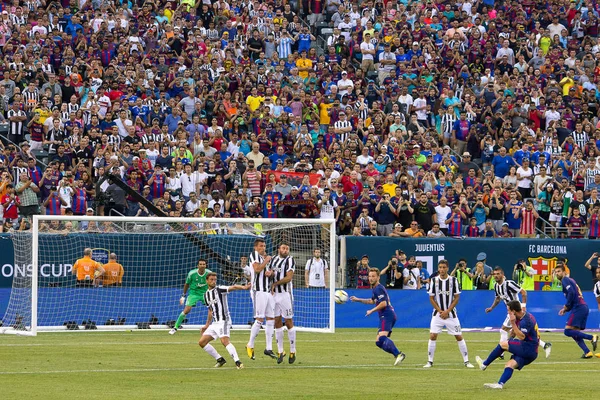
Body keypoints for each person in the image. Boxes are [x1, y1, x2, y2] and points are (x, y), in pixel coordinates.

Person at [485, 267, 552, 359]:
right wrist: (491, 308)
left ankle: (501, 352)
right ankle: (544, 345)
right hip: (511, 312)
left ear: (502, 275)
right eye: (494, 274)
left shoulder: (509, 284)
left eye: (498, 274)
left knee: (504, 330)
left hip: (516, 311)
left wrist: (523, 306)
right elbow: (497, 298)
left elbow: (523, 292)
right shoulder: (496, 286)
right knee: (515, 333)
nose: (496, 276)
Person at [476, 301, 540, 389]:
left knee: (503, 344)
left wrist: (513, 324)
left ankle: (484, 364)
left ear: (513, 311)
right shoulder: (522, 316)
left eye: (508, 310)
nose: (507, 312)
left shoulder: (525, 321)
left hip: (528, 348)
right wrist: (513, 332)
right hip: (532, 353)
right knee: (510, 365)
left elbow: (521, 337)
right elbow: (517, 332)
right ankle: (500, 384)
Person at [350, 268, 406, 366]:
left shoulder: (379, 288)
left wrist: (372, 310)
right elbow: (372, 301)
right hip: (385, 316)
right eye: (370, 276)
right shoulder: (375, 289)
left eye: (373, 276)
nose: (371, 278)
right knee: (378, 342)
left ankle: (398, 354)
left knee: (382, 339)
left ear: (378, 277)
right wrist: (358, 299)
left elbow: (384, 303)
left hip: (387, 315)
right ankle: (397, 354)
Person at [425, 259, 474, 368]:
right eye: (440, 267)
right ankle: (429, 361)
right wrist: (440, 311)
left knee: (458, 336)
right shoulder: (433, 281)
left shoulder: (453, 280)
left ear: (447, 268)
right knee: (433, 335)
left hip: (451, 314)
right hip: (437, 314)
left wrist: (447, 311)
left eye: (443, 267)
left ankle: (466, 361)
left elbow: (457, 298)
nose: (441, 270)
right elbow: (431, 298)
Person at [199, 272, 249, 369]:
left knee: (224, 341)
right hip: (215, 323)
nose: (213, 281)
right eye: (211, 280)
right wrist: (206, 325)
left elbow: (233, 287)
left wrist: (244, 287)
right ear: (207, 281)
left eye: (215, 280)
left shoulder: (220, 289)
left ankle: (238, 362)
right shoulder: (205, 295)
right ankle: (220, 359)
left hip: (224, 321)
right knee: (202, 342)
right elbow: (210, 310)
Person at [554, 265, 599, 358]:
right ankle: (587, 352)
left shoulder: (565, 280)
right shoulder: (572, 280)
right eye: (556, 272)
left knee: (567, 331)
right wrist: (566, 309)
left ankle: (591, 337)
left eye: (559, 271)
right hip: (582, 307)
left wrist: (566, 306)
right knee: (575, 333)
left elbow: (571, 293)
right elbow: (574, 295)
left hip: (579, 307)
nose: (557, 273)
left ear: (564, 272)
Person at [246, 238, 276, 360]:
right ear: (255, 247)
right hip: (258, 291)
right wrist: (266, 261)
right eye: (260, 246)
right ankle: (250, 345)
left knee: (271, 318)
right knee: (260, 318)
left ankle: (268, 348)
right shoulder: (254, 255)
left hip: (267, 291)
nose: (263, 248)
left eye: (264, 246)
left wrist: (271, 273)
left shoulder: (266, 258)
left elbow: (268, 272)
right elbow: (257, 269)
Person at [270, 243, 297, 364]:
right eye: (283, 248)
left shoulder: (290, 260)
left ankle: (292, 350)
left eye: (287, 249)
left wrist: (275, 284)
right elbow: (270, 273)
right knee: (276, 321)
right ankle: (280, 351)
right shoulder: (273, 259)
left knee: (288, 321)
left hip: (285, 294)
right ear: (279, 249)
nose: (285, 250)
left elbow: (289, 277)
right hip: (273, 295)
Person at [169, 259, 212, 335]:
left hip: (205, 294)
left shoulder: (209, 273)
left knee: (212, 309)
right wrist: (183, 295)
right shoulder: (192, 273)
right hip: (193, 294)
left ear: (206, 265)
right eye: (200, 264)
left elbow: (212, 283)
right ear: (197, 266)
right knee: (187, 309)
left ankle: (210, 326)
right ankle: (175, 327)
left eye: (204, 264)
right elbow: (186, 284)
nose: (202, 266)